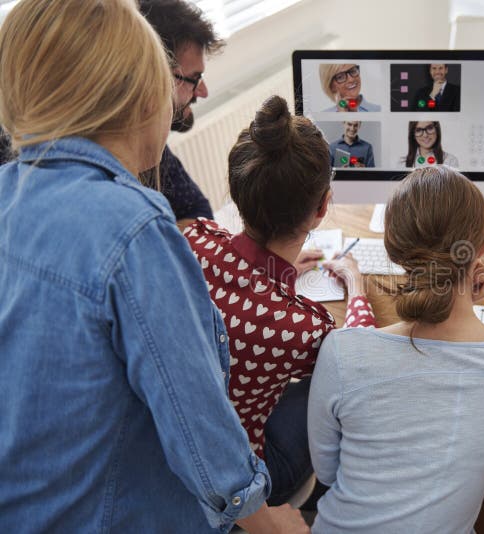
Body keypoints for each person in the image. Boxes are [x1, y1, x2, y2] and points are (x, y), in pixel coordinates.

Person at [0, 1, 306, 532]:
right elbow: (206, 441)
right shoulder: (133, 229)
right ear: (137, 93)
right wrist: (274, 524)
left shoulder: (8, 192)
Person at [307, 166, 484, 533]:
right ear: (483, 247)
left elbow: (326, 473)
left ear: (393, 250)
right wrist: (468, 303)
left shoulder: (341, 352)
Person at [183, 95, 377, 506]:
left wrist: (279, 272)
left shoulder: (193, 239)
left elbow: (234, 291)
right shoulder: (302, 328)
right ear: (323, 206)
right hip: (242, 467)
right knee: (329, 388)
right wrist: (357, 288)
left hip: (184, 443)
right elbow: (359, 361)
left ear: (237, 192)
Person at [139, 0, 220, 226]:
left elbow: (199, 210)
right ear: (154, 78)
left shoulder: (156, 148)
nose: (203, 92)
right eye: (194, 78)